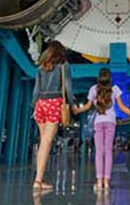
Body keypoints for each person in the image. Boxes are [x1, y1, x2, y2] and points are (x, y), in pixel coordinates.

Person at [74, 68, 130, 190]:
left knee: (99, 152)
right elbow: (122, 107)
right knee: (108, 151)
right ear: (109, 79)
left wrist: (77, 110)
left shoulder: (93, 89)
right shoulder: (115, 89)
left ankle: (99, 181)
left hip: (98, 122)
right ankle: (106, 182)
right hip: (111, 122)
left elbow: (87, 106)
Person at [31, 41, 74, 191]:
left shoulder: (41, 67)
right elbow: (67, 87)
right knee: (46, 143)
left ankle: (40, 179)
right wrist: (72, 104)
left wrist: (33, 105)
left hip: (40, 104)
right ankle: (38, 181)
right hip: (54, 103)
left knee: (44, 143)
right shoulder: (63, 65)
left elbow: (36, 89)